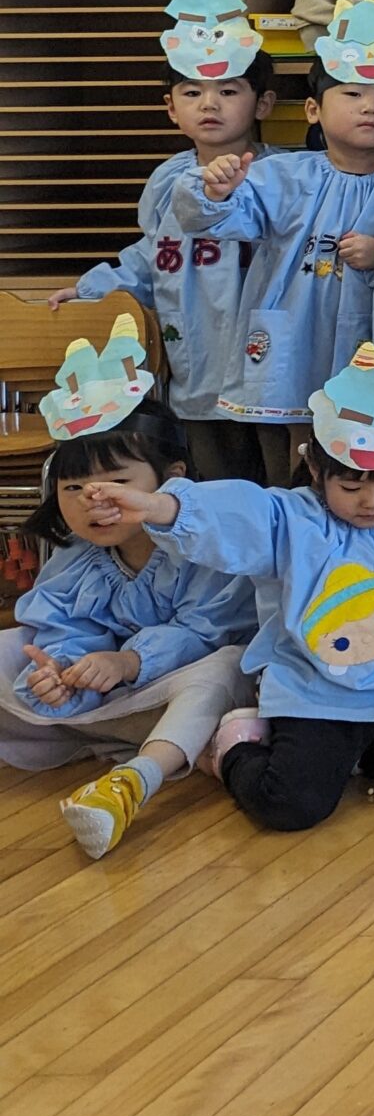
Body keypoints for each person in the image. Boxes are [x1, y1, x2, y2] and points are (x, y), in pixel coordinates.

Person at [95, 344, 374, 833]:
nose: (372, 500)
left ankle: (351, 758)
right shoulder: (291, 519)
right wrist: (160, 507)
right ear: (317, 469)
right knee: (291, 804)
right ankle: (235, 747)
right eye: (351, 486)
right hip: (314, 693)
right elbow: (237, 513)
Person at [0, 336, 255, 858]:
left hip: (184, 690)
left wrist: (128, 662)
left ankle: (135, 778)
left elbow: (210, 632)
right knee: (10, 646)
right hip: (115, 701)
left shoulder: (204, 549)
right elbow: (66, 627)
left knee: (223, 669)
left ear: (173, 480)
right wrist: (62, 673)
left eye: (117, 482)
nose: (94, 503)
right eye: (74, 489)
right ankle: (142, 738)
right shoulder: (79, 557)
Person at [172, 0, 374, 484]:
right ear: (314, 110)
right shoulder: (282, 176)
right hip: (291, 343)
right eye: (352, 94)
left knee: (364, 451)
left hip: (369, 344)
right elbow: (215, 220)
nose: (370, 107)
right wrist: (216, 192)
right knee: (290, 465)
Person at [55, 0, 274, 485]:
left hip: (266, 368)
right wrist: (95, 289)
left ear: (262, 103)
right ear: (172, 108)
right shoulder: (167, 180)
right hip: (197, 361)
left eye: (228, 91)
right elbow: (151, 255)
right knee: (209, 480)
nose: (209, 104)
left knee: (274, 483)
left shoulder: (284, 177)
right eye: (192, 92)